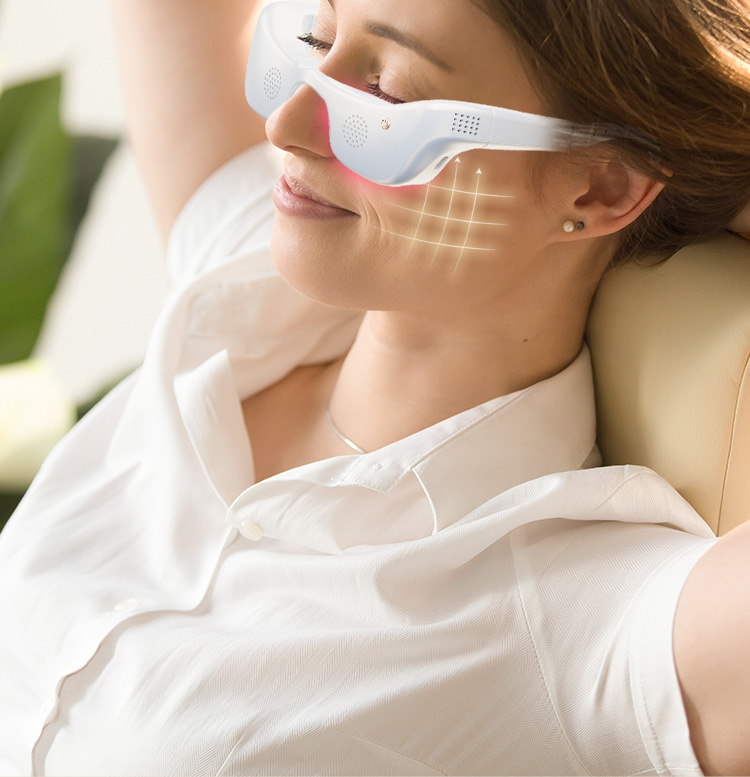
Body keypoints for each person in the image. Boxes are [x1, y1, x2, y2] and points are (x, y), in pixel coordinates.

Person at [1, 0, 750, 773]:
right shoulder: (240, 297)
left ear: (602, 186)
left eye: (385, 99)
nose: (287, 124)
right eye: (316, 40)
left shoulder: (586, 622)